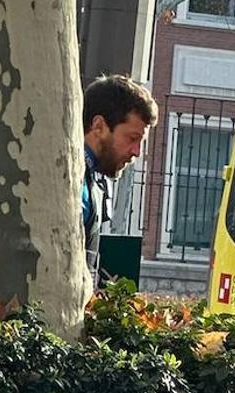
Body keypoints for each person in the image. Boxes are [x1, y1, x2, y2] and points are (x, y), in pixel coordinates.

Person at [82, 75, 158, 285]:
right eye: (132, 139)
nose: (137, 152)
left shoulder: (91, 176)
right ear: (98, 126)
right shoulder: (74, 181)